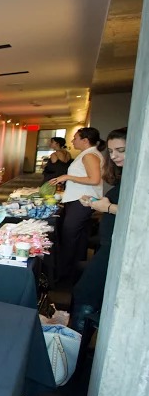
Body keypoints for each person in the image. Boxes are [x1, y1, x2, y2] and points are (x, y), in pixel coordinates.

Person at [72, 127, 126, 334]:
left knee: (86, 292)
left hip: (116, 247)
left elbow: (138, 213)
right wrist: (97, 203)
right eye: (111, 151)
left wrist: (108, 207)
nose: (114, 156)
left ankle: (75, 344)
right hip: (109, 243)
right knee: (87, 291)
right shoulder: (125, 176)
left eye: (121, 150)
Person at [52, 127, 105, 284]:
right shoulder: (88, 154)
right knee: (79, 239)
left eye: (75, 138)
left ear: (85, 140)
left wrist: (68, 177)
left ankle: (64, 275)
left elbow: (94, 179)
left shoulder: (89, 155)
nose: (72, 141)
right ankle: (74, 275)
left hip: (81, 202)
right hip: (80, 201)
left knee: (69, 238)